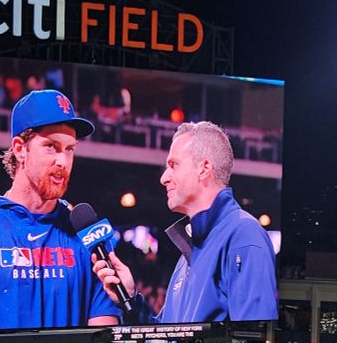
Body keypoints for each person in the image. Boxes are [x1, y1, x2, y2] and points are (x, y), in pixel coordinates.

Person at [0, 90, 120, 330]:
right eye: (51, 146)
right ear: (20, 149)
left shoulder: (94, 241)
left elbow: (102, 340)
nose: (63, 161)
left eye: (69, 149)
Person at [94, 121, 277, 324]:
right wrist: (130, 298)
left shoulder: (243, 235)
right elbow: (167, 338)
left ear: (204, 168)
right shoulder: (190, 251)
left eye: (174, 165)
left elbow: (253, 340)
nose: (164, 177)